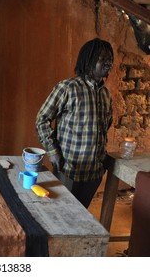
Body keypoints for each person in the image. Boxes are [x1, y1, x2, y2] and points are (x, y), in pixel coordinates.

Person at [35, 38, 114, 208]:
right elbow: (42, 119)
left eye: (110, 59)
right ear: (89, 59)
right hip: (69, 170)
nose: (109, 63)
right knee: (62, 214)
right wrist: (52, 150)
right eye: (103, 59)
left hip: (94, 173)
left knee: (81, 215)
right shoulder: (68, 88)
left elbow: (104, 128)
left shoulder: (106, 95)